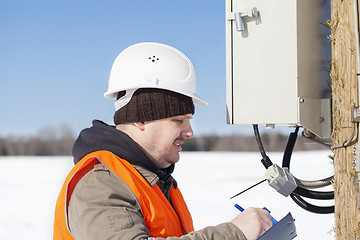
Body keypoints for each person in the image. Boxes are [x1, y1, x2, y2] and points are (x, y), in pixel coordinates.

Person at [53, 42, 272, 240]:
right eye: (178, 121)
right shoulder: (101, 183)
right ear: (140, 119)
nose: (189, 132)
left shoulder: (153, 181)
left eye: (189, 120)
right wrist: (233, 235)